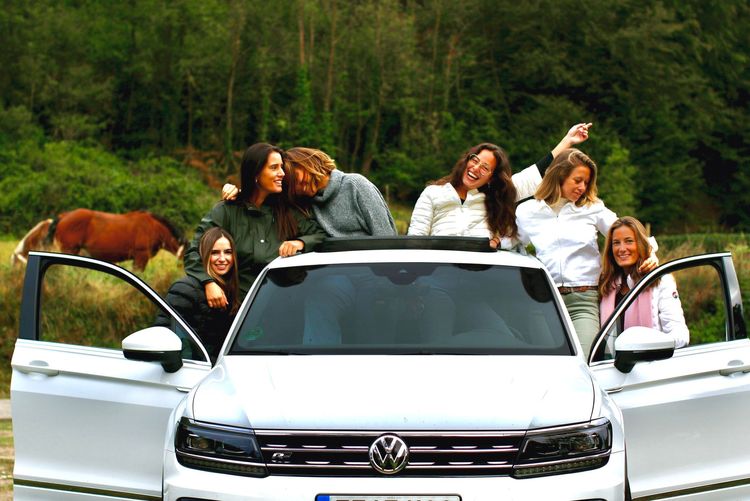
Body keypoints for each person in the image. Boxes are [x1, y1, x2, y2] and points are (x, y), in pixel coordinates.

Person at [515, 149, 657, 356]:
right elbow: (508, 242)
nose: (582, 187)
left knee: (584, 362)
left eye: (586, 182)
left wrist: (651, 253)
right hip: (544, 300)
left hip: (584, 300)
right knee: (549, 363)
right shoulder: (528, 211)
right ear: (560, 175)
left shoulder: (593, 208)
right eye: (578, 180)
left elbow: (629, 234)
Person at [184, 143, 326, 308]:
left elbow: (320, 235)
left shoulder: (287, 212)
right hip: (234, 310)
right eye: (274, 168)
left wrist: (300, 243)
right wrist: (208, 282)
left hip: (281, 306)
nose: (282, 173)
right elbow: (194, 252)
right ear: (256, 174)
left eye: (281, 167)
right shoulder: (226, 210)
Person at [407, 123, 592, 249]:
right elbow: (415, 240)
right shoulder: (433, 193)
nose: (476, 168)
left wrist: (568, 140)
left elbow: (536, 173)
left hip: (478, 275)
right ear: (466, 161)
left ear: (490, 178)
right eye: (475, 160)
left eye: (485, 167)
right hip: (438, 273)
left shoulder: (494, 197)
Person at [222, 147, 397, 237]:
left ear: (306, 162)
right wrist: (238, 192)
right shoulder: (305, 203)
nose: (298, 186)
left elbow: (386, 237)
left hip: (372, 271)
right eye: (290, 184)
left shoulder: (355, 185)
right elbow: (262, 199)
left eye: (295, 176)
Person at [599, 216, 689, 348]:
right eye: (616, 243)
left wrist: (648, 348)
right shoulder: (606, 284)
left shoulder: (661, 280)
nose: (621, 248)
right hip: (608, 366)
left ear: (641, 244)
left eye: (629, 241)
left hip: (650, 364)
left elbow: (680, 336)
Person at [155, 227, 240, 362]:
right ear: (205, 255)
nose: (223, 258)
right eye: (215, 253)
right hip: (193, 372)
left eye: (228, 252)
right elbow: (164, 333)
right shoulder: (185, 288)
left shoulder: (233, 289)